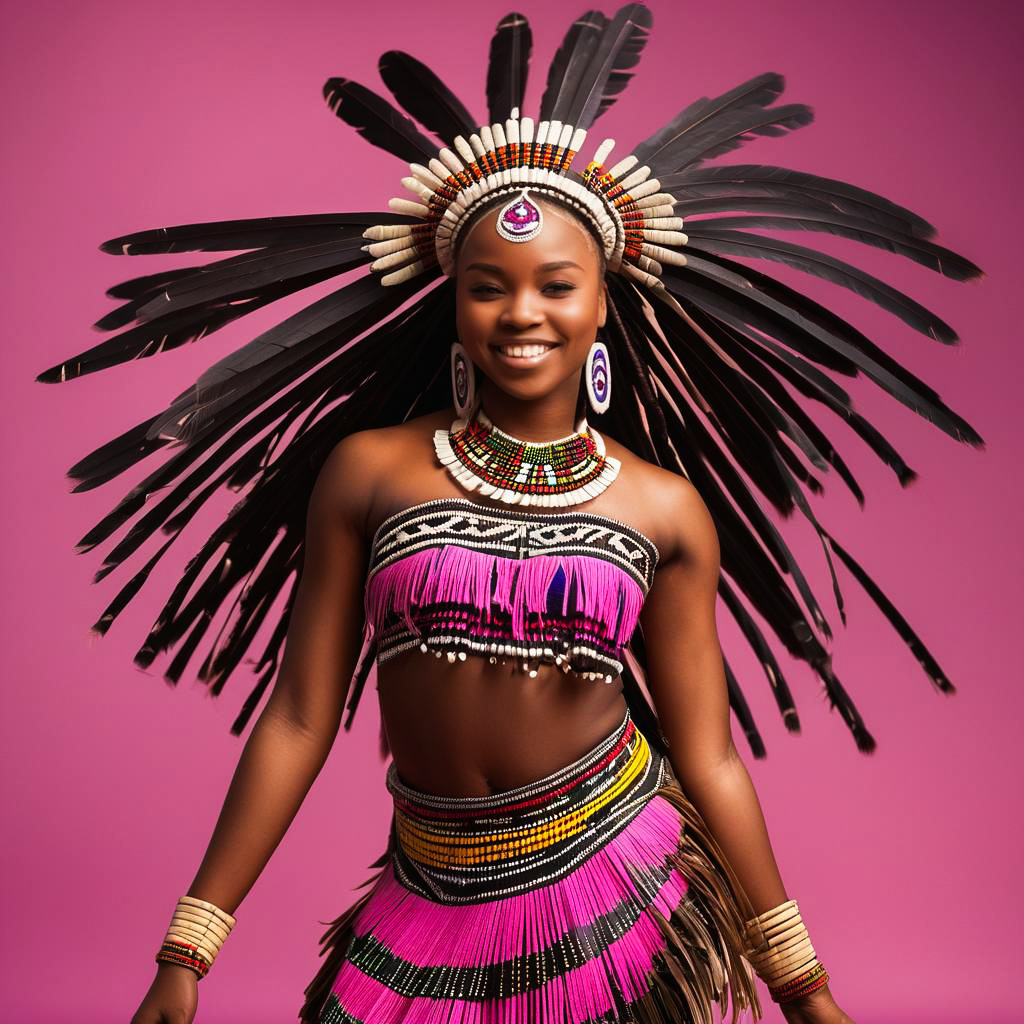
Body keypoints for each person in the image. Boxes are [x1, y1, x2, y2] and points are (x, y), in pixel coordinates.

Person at [42, 5, 980, 1024]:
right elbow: (301, 716)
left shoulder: (662, 508)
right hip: (423, 888)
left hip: (617, 887)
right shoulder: (368, 473)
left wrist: (802, 983)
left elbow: (709, 754)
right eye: (488, 287)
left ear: (600, 304)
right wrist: (190, 946)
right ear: (453, 303)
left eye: (554, 286)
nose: (521, 313)